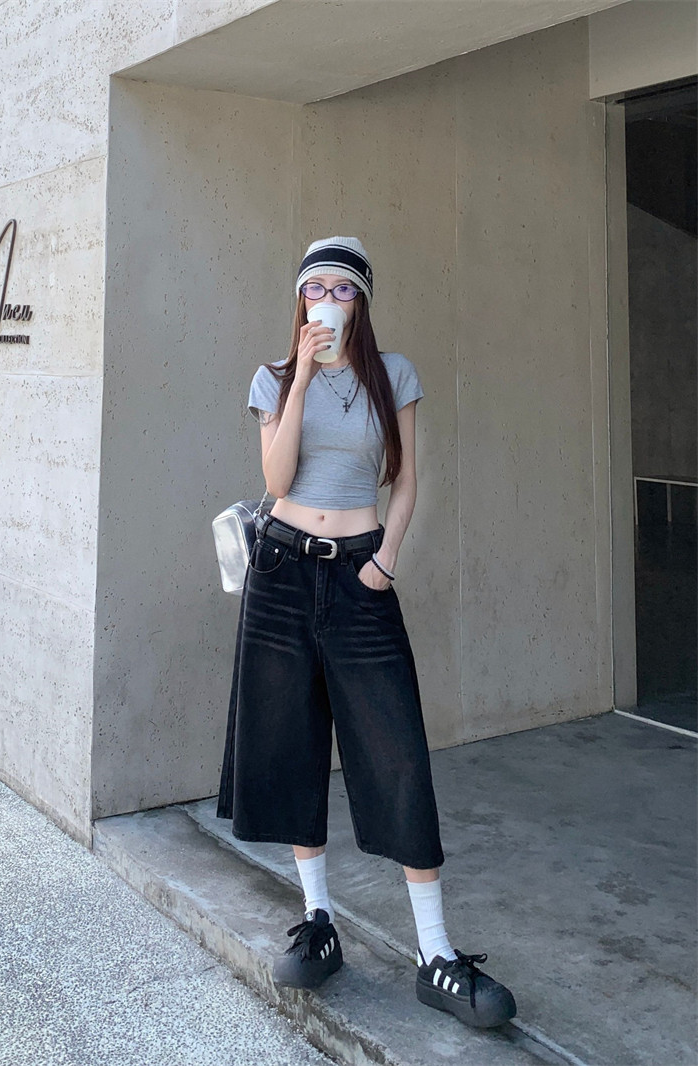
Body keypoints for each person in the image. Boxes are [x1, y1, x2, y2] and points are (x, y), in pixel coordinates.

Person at [217, 237, 516, 1029]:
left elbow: (406, 480)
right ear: (299, 300)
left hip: (361, 574)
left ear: (362, 301)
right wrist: (302, 375)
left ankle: (436, 954)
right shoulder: (273, 377)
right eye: (314, 288)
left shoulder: (396, 376)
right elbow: (276, 479)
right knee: (290, 746)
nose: (327, 301)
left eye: (342, 289)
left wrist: (384, 562)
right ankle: (319, 921)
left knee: (396, 749)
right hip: (280, 573)